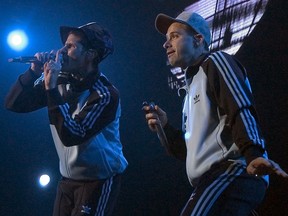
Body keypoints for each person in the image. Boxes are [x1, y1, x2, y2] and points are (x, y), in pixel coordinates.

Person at [143, 10, 288, 216]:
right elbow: (192, 152)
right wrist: (165, 127)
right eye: (166, 39)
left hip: (233, 170)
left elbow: (239, 105)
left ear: (198, 39)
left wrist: (253, 153)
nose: (166, 44)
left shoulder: (216, 61)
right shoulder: (191, 87)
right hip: (217, 177)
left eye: (174, 36)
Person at [5, 22, 128, 216]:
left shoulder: (105, 94)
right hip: (67, 179)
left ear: (91, 54)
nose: (61, 51)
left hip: (98, 181)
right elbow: (13, 104)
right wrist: (32, 73)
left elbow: (73, 134)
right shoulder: (61, 80)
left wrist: (51, 89)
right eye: (64, 45)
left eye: (70, 46)